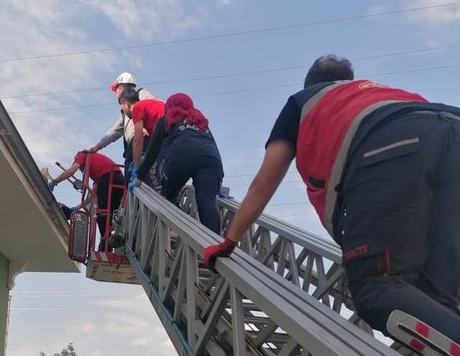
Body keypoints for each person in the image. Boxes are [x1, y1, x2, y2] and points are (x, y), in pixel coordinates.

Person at [203, 54, 460, 344]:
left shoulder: (303, 101)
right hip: (451, 130)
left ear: (309, 83)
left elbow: (265, 182)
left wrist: (229, 242)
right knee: (438, 300)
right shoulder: (378, 92)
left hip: (390, 142)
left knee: (378, 287)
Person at [135, 93, 224, 234]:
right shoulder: (199, 120)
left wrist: (139, 177)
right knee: (207, 200)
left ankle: (173, 233)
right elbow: (212, 145)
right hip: (211, 159)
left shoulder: (166, 119)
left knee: (168, 196)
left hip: (182, 157)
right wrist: (218, 182)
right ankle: (215, 246)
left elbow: (153, 152)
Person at [87, 72, 157, 182]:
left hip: (143, 142)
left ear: (120, 89)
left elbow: (156, 105)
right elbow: (113, 132)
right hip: (132, 148)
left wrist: (147, 127)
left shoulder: (141, 94)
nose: (116, 94)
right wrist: (97, 147)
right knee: (130, 180)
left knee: (144, 177)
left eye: (116, 90)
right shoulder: (125, 114)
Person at [48, 151, 125, 251]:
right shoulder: (98, 172)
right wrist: (76, 208)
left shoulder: (83, 155)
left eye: (81, 169)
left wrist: (54, 182)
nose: (81, 171)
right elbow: (91, 196)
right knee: (111, 215)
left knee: (100, 211)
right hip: (120, 182)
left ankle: (106, 242)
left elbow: (71, 171)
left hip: (109, 178)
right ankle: (110, 241)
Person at [118, 89, 165, 189]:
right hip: (179, 136)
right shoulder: (150, 107)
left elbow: (138, 140)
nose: (124, 113)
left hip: (170, 137)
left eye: (123, 109)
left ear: (126, 104)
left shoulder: (137, 108)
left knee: (155, 174)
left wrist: (137, 166)